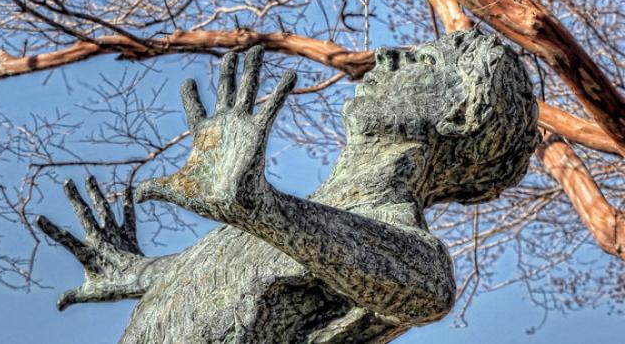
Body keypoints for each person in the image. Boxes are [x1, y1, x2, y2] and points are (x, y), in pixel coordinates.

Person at [37, 30, 540, 343]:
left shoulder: (389, 241)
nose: (386, 55)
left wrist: (259, 207)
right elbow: (245, 272)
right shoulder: (292, 219)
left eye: (421, 62)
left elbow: (428, 288)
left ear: (456, 114)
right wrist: (140, 271)